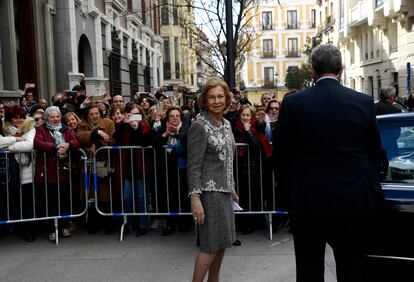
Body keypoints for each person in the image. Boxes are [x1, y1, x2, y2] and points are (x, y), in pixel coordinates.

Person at [273, 44, 385, 282]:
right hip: (352, 201)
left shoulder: (294, 103)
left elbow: (281, 154)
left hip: (307, 202)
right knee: (352, 269)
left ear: (312, 70)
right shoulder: (363, 102)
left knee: (309, 269)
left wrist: (286, 190)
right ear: (341, 70)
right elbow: (375, 152)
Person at [188, 77, 239, 282]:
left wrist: (232, 187)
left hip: (225, 193)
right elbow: (194, 166)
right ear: (205, 100)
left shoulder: (226, 124)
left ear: (226, 99)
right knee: (209, 246)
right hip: (208, 196)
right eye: (212, 97)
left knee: (221, 244)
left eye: (220, 96)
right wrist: (195, 199)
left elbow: (227, 159)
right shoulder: (200, 126)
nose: (217, 101)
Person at [34, 106, 80, 242]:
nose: (55, 119)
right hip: (48, 171)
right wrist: (55, 147)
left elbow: (76, 142)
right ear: (47, 118)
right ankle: (52, 229)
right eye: (52, 117)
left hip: (64, 170)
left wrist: (68, 145)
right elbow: (38, 143)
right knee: (51, 201)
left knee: (65, 200)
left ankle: (65, 226)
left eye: (57, 116)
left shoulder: (67, 129)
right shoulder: (40, 129)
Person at [113, 103, 152, 236]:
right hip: (126, 167)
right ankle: (128, 222)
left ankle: (143, 224)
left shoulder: (145, 127)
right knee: (127, 197)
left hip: (140, 167)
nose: (133, 118)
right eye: (131, 114)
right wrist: (124, 124)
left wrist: (136, 129)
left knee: (141, 197)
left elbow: (146, 142)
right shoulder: (122, 127)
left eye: (136, 114)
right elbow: (116, 138)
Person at [153, 106, 192, 236]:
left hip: (183, 167)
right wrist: (166, 134)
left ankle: (185, 222)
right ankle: (170, 223)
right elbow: (154, 143)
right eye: (172, 116)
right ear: (167, 118)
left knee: (183, 194)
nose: (175, 118)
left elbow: (188, 143)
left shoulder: (186, 129)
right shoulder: (162, 129)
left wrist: (178, 133)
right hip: (167, 168)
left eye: (177, 116)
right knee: (169, 195)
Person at [1, 106, 36, 242]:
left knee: (27, 201)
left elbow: (28, 145)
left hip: (25, 170)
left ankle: (29, 230)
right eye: (15, 117)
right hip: (8, 171)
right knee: (11, 200)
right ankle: (13, 227)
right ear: (10, 118)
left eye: (21, 117)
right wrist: (15, 140)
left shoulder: (30, 127)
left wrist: (6, 147)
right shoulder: (3, 127)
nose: (19, 120)